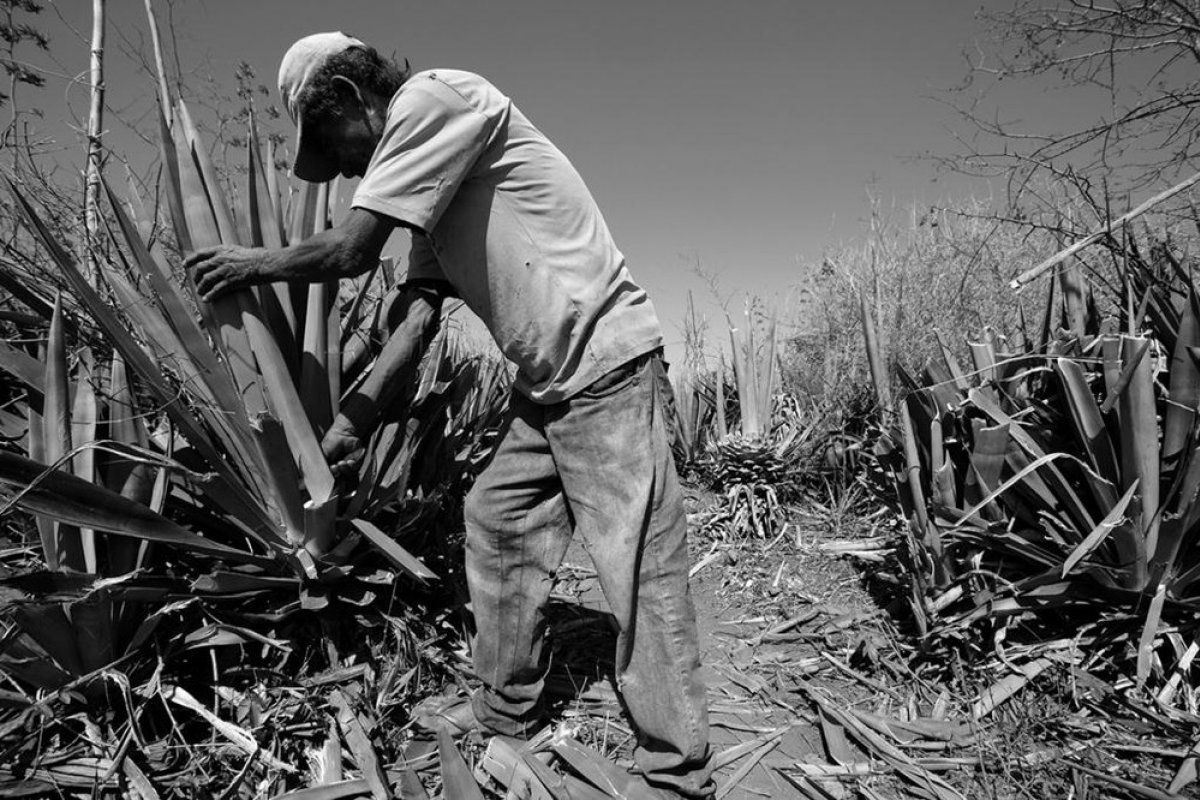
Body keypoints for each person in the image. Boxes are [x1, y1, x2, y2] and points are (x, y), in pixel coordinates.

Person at [187, 32, 713, 799]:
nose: (339, 169)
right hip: (548, 384)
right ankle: (505, 710)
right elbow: (415, 323)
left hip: (604, 361)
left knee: (633, 563)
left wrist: (251, 264)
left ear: (347, 96)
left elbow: (350, 252)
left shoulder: (437, 98)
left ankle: (676, 773)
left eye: (329, 145)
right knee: (498, 519)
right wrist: (348, 430)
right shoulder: (435, 193)